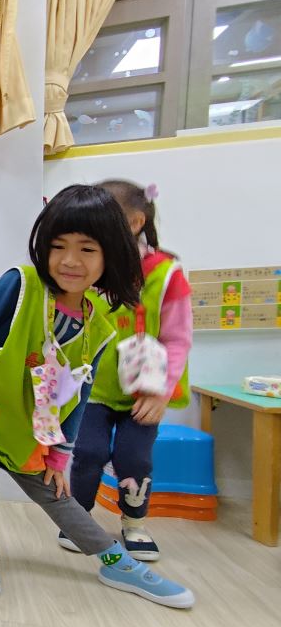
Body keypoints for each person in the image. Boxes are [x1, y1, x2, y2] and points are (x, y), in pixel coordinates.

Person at [0, 184, 194, 608]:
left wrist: (58, 456)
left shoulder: (98, 328)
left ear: (110, 255)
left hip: (20, 427)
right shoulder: (21, 283)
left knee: (57, 493)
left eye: (87, 249)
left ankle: (115, 561)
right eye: (58, 246)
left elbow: (78, 399)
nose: (70, 260)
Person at [65, 180, 192, 561]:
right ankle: (79, 521)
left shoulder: (165, 274)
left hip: (145, 389)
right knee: (87, 452)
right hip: (93, 388)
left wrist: (162, 390)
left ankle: (134, 523)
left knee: (134, 459)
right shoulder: (87, 270)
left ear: (136, 222)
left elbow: (177, 338)